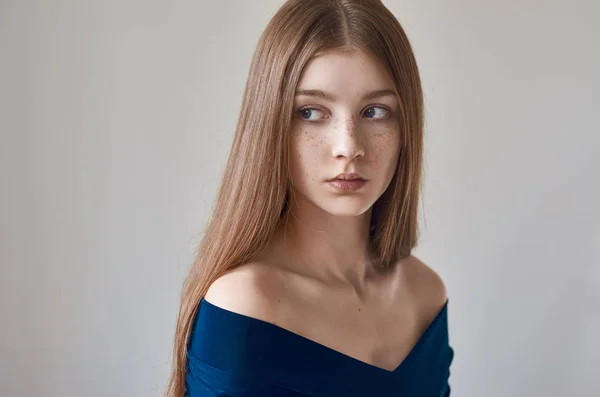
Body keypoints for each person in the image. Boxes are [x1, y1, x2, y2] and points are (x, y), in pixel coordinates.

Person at [166, 0, 454, 396]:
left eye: (374, 111)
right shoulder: (249, 303)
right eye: (311, 113)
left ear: (407, 126)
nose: (348, 147)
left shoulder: (425, 295)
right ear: (271, 124)